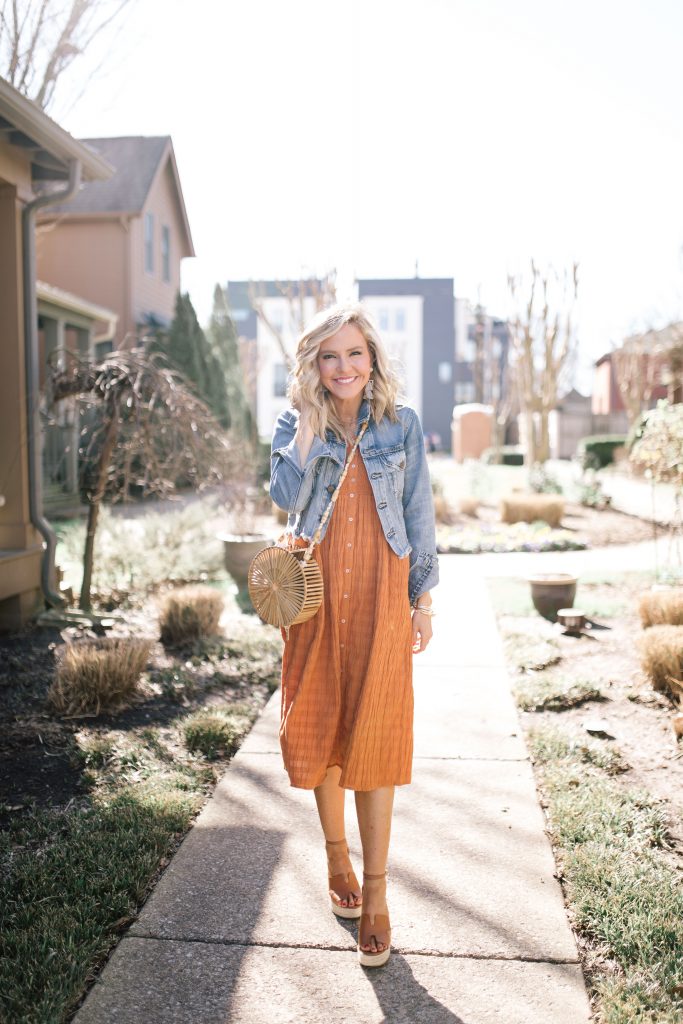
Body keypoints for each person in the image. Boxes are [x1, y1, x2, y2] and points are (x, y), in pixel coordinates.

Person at [269, 303, 439, 968]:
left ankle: (374, 892)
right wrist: (309, 426)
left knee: (375, 729)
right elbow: (284, 494)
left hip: (379, 587)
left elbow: (419, 512)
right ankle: (335, 857)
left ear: (372, 361)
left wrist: (420, 597)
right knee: (321, 722)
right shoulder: (294, 422)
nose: (343, 367)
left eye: (354, 354)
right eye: (329, 356)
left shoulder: (401, 424)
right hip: (313, 592)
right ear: (314, 363)